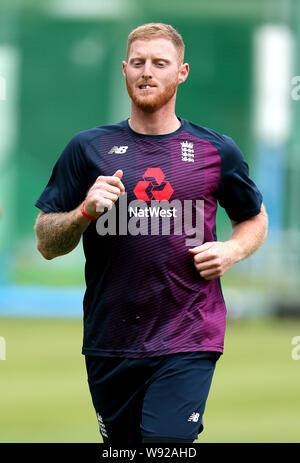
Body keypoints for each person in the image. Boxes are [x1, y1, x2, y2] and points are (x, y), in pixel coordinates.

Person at [34, 23, 268, 445]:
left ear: (181, 73)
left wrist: (232, 250)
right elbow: (47, 242)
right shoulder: (87, 148)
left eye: (160, 63)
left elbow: (254, 218)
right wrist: (84, 211)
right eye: (138, 63)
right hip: (110, 340)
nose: (147, 72)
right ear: (124, 70)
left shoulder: (217, 150)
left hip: (189, 336)